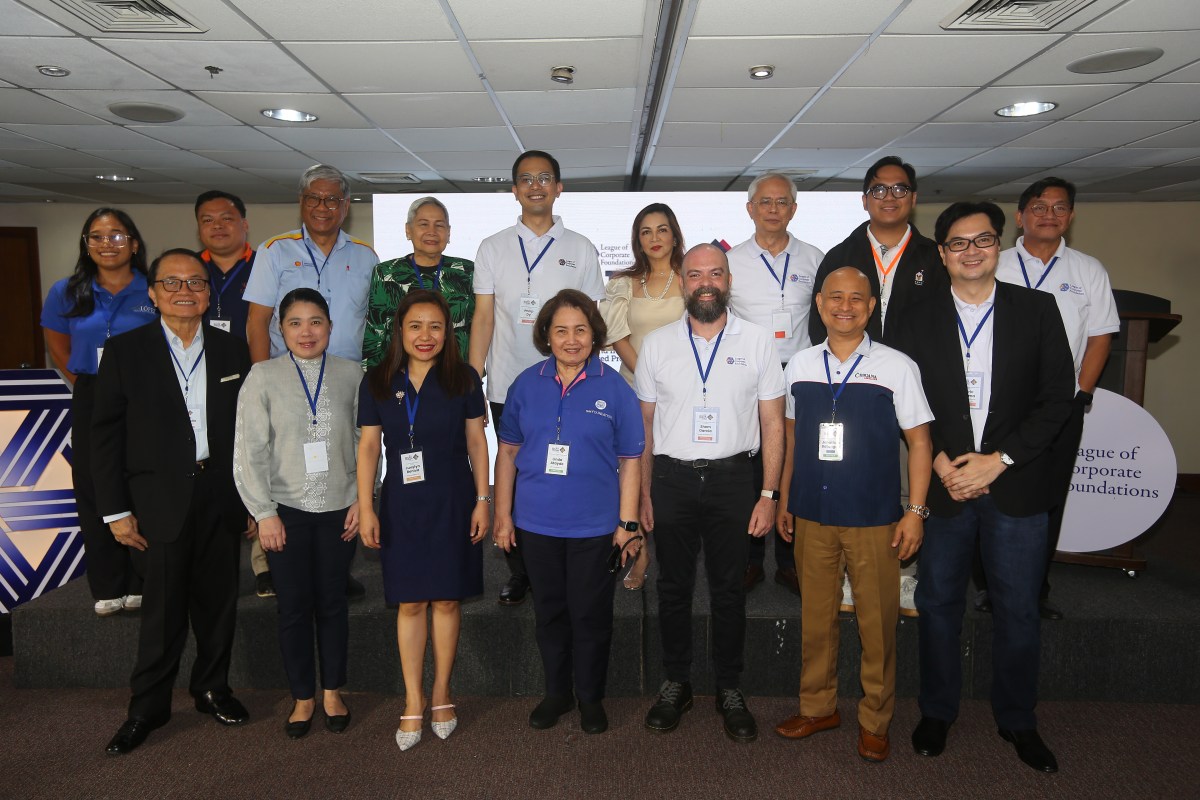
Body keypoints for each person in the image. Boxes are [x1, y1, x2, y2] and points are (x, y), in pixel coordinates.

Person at [889, 202, 1074, 775]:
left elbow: (1057, 399)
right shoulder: (913, 317)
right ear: (942, 253)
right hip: (945, 485)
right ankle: (937, 711)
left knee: (1017, 607)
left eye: (983, 240)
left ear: (1000, 245)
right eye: (958, 243)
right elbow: (904, 396)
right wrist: (943, 460)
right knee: (937, 602)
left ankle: (1017, 718)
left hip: (1015, 483)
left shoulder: (1037, 309)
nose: (971, 251)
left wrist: (1000, 461)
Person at [92, 249, 252, 755]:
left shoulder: (232, 349)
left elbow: (248, 433)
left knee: (218, 604)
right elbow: (104, 438)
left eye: (196, 282)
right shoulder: (125, 351)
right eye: (173, 283)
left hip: (219, 494)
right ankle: (147, 708)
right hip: (157, 500)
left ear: (208, 292)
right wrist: (116, 511)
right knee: (161, 613)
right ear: (153, 293)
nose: (185, 292)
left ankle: (212, 688)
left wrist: (253, 499)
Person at [773, 267, 933, 763]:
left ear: (871, 307)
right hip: (812, 513)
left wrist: (915, 512)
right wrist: (784, 499)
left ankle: (875, 721)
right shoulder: (799, 365)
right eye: (836, 297)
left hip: (875, 518)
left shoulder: (896, 367)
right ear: (820, 304)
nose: (845, 306)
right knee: (815, 619)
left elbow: (920, 443)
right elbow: (792, 439)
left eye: (857, 299)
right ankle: (818, 708)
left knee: (877, 625)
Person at [636, 244, 785, 744]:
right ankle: (676, 682)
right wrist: (643, 493)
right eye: (696, 274)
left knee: (729, 589)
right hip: (671, 481)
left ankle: (729, 687)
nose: (706, 283)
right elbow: (645, 427)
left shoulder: (758, 341)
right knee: (673, 587)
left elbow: (773, 423)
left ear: (728, 281)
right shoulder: (657, 344)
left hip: (734, 481)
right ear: (682, 283)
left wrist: (768, 494)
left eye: (715, 274)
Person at [494, 290, 644, 735]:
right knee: (550, 614)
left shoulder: (615, 388)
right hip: (535, 524)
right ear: (546, 335)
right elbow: (507, 453)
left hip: (595, 528)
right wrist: (503, 514)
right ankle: (557, 693)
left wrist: (628, 524)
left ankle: (591, 697)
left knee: (590, 616)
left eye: (580, 330)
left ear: (594, 335)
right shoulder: (525, 384)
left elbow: (631, 460)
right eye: (561, 330)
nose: (571, 339)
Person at [810, 156, 947, 618]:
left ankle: (905, 576)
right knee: (853, 477)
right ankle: (851, 575)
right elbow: (819, 324)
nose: (889, 197)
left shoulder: (934, 257)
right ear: (865, 198)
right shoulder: (840, 255)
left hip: (911, 387)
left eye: (899, 189)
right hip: (851, 390)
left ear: (914, 197)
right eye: (879, 189)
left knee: (908, 480)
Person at [468, 150, 605, 606]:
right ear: (514, 190)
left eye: (545, 178)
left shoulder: (580, 247)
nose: (535, 186)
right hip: (509, 382)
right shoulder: (492, 246)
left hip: (567, 383)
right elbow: (483, 318)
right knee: (517, 472)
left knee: (561, 471)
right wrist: (473, 379)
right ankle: (520, 569)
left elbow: (590, 319)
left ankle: (562, 556)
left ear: (558, 188)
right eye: (526, 179)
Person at [981, 176, 1120, 620]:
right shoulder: (993, 262)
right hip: (998, 404)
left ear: (1071, 216)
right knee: (991, 491)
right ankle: (989, 587)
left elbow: (1100, 336)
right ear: (1020, 216)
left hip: (1060, 406)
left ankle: (1035, 589)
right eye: (1039, 207)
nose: (1049, 215)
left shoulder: (1088, 270)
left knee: (1048, 496)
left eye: (1060, 208)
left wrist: (1081, 394)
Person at [357, 289, 490, 751]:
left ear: (448, 331)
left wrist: (483, 500)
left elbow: (477, 443)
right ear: (400, 330)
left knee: (448, 601)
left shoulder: (464, 378)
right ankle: (413, 698)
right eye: (415, 326)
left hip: (453, 500)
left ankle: (441, 693)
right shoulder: (377, 380)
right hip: (402, 505)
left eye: (435, 326)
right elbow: (369, 448)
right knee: (410, 603)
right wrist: (366, 506)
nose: (425, 335)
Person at [233, 288, 362, 739]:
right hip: (284, 511)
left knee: (333, 604)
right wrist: (263, 512)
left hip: (340, 508)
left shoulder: (352, 374)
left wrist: (363, 498)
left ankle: (333, 692)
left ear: (330, 326)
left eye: (315, 322)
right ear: (280, 329)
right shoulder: (263, 376)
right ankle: (303, 696)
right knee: (292, 607)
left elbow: (367, 443)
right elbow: (248, 450)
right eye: (295, 323)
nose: (306, 332)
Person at [41, 208, 157, 617]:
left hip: (145, 397)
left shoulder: (152, 288)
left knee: (141, 481)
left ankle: (142, 579)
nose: (107, 244)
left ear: (134, 243)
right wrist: (91, 385)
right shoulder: (67, 291)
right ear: (86, 245)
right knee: (94, 483)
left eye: (117, 236)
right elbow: (58, 346)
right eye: (97, 236)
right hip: (91, 393)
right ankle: (108, 584)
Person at [727, 172, 824, 596]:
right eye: (764, 202)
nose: (772, 209)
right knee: (752, 468)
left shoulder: (815, 258)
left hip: (800, 376)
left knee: (796, 465)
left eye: (781, 202)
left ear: (793, 209)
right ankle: (750, 560)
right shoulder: (730, 262)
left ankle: (790, 562)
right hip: (748, 377)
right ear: (750, 209)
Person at [599, 202, 686, 590]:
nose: (654, 238)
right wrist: (650, 381)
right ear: (637, 239)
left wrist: (672, 386)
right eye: (646, 231)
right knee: (634, 469)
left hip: (684, 392)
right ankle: (639, 548)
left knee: (673, 472)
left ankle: (673, 548)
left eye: (662, 229)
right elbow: (618, 336)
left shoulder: (691, 278)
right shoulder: (622, 283)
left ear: (674, 235)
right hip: (634, 389)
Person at [194, 189, 273, 599]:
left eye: (226, 218)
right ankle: (214, 560)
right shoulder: (191, 270)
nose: (218, 226)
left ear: (244, 224)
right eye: (208, 220)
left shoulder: (265, 264)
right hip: (201, 384)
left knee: (262, 460)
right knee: (214, 464)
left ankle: (265, 561)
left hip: (255, 375)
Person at [244, 164, 377, 364]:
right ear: (301, 202)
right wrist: (262, 375)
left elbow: (376, 322)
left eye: (332, 200)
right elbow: (257, 321)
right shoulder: (274, 250)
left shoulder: (366, 255)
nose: (322, 208)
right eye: (313, 199)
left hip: (350, 373)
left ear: (346, 205)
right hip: (289, 372)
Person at [362, 197, 475, 369]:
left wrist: (474, 375)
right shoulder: (386, 273)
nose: (432, 232)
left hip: (454, 372)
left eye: (439, 225)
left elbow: (477, 328)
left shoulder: (466, 271)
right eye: (423, 224)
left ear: (448, 232)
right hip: (398, 373)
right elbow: (375, 330)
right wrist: (372, 376)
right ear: (408, 230)